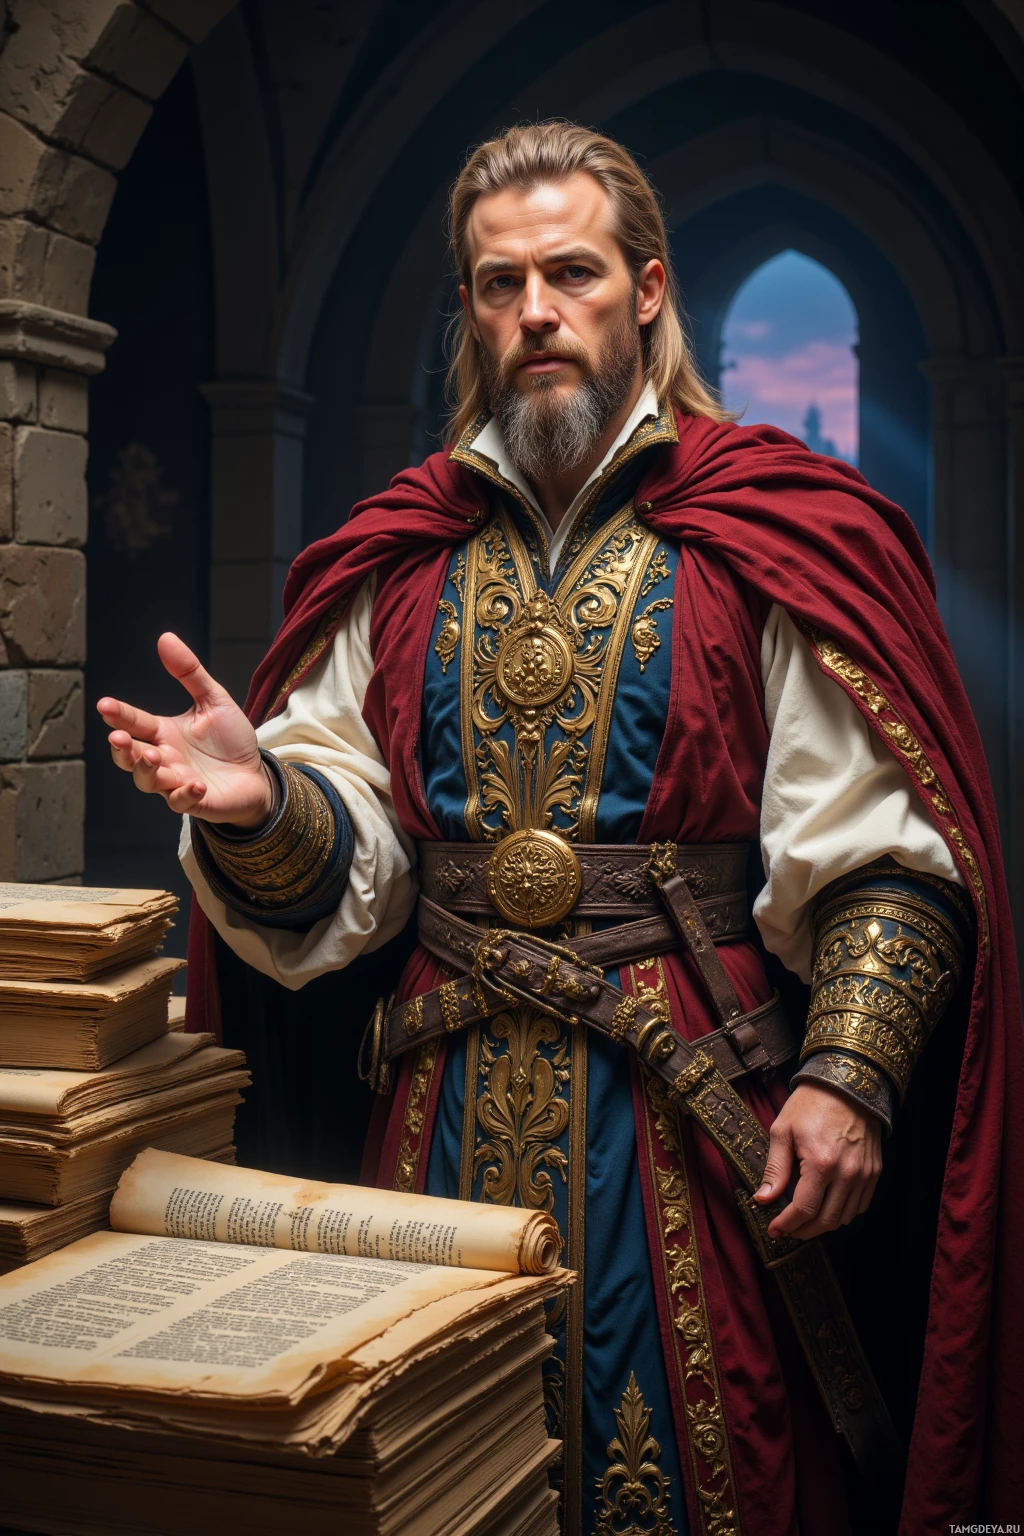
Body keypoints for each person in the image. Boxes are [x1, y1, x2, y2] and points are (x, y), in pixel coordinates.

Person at [98, 122, 1021, 1536]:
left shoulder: (767, 527)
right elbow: (354, 866)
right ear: (471, 310)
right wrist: (268, 804)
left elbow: (881, 843)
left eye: (571, 273)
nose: (535, 310)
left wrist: (848, 1075)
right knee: (437, 1467)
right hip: (436, 1116)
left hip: (696, 1110)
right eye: (499, 282)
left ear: (645, 292)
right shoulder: (399, 557)